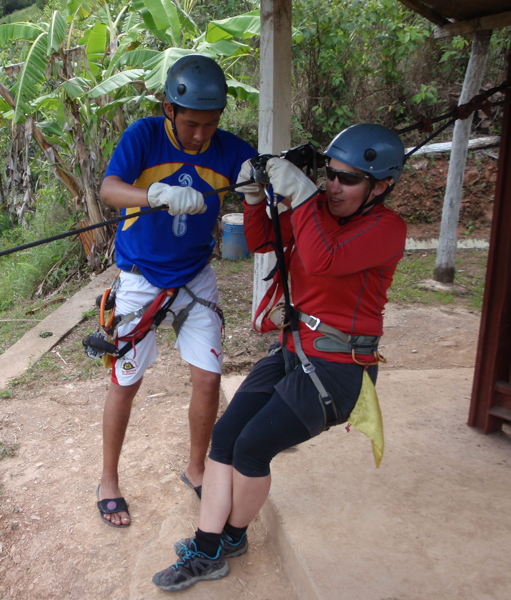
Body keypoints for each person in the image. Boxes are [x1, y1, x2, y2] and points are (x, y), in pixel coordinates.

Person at [151, 123, 407, 590]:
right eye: (330, 174)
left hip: (338, 368)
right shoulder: (320, 211)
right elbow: (262, 242)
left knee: (252, 447)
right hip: (293, 349)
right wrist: (254, 199)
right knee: (225, 437)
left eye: (348, 180)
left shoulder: (387, 229)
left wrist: (303, 196)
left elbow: (324, 259)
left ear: (381, 186)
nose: (334, 186)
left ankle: (228, 539)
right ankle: (209, 547)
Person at [95, 54, 257, 527]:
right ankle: (108, 479)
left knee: (208, 379)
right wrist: (154, 195)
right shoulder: (143, 136)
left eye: (211, 124)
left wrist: (260, 186)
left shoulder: (231, 150)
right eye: (191, 124)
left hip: (194, 277)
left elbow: (264, 186)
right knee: (126, 382)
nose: (201, 135)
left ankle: (196, 468)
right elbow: (109, 189)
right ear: (169, 109)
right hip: (140, 277)